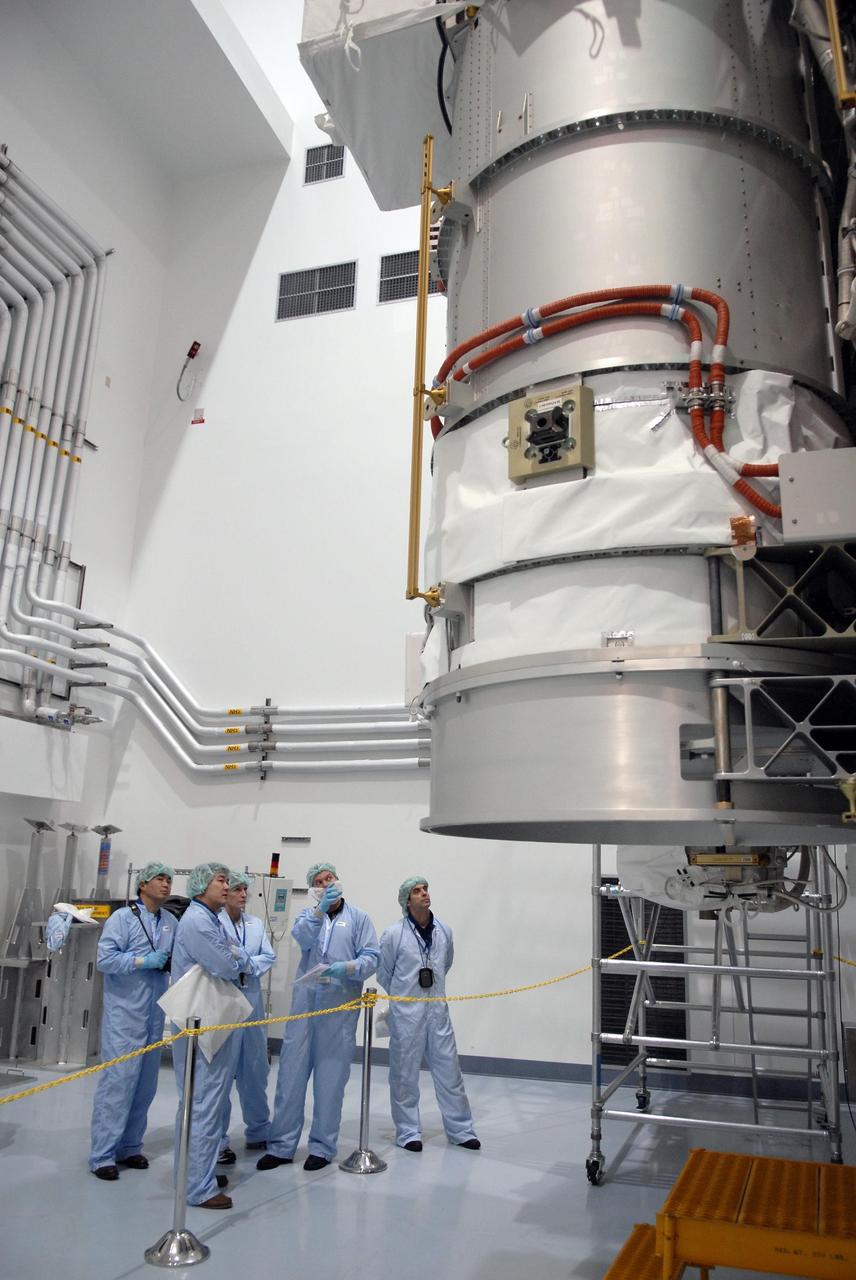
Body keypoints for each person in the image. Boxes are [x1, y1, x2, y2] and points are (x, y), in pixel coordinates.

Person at [258, 861, 378, 1173]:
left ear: (339, 880)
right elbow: (303, 938)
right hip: (305, 1009)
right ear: (314, 889)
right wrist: (317, 912)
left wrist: (348, 968)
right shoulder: (307, 917)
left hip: (338, 1012)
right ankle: (282, 1146)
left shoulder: (359, 919)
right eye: (319, 882)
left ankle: (322, 1148)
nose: (326, 884)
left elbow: (371, 957)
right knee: (290, 1077)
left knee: (330, 1080)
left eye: (330, 879)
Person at [170, 862, 253, 1210]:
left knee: (204, 1102)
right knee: (203, 1103)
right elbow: (227, 965)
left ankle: (195, 1173)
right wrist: (239, 958)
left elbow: (232, 957)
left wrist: (237, 956)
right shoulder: (198, 921)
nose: (227, 886)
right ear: (202, 885)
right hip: (201, 1023)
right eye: (221, 880)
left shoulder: (209, 919)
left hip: (209, 1019)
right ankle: (197, 1188)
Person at [378, 876, 479, 1153]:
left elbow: (445, 965)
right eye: (417, 891)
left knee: (450, 1072)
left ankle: (461, 1130)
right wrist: (407, 999)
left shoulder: (444, 931)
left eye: (426, 889)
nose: (424, 894)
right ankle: (408, 1131)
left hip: (437, 1012)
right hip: (406, 1016)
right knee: (404, 1076)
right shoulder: (393, 934)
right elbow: (384, 973)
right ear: (407, 901)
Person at [88, 861, 176, 1180]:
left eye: (168, 879)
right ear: (142, 885)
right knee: (118, 1082)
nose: (166, 884)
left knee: (145, 1084)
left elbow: (174, 957)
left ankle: (130, 1147)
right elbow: (105, 959)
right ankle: (102, 1154)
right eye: (159, 879)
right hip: (124, 1013)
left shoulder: (169, 921)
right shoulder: (122, 919)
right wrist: (142, 961)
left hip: (154, 1012)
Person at [216, 870, 276, 1164]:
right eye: (237, 889)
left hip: (251, 998)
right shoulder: (216, 923)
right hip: (225, 999)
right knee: (222, 1074)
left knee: (255, 1069)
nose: (242, 895)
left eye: (245, 890)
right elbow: (221, 957)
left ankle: (259, 1130)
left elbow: (268, 955)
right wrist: (238, 962)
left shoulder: (255, 924)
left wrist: (247, 965)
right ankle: (218, 1140)